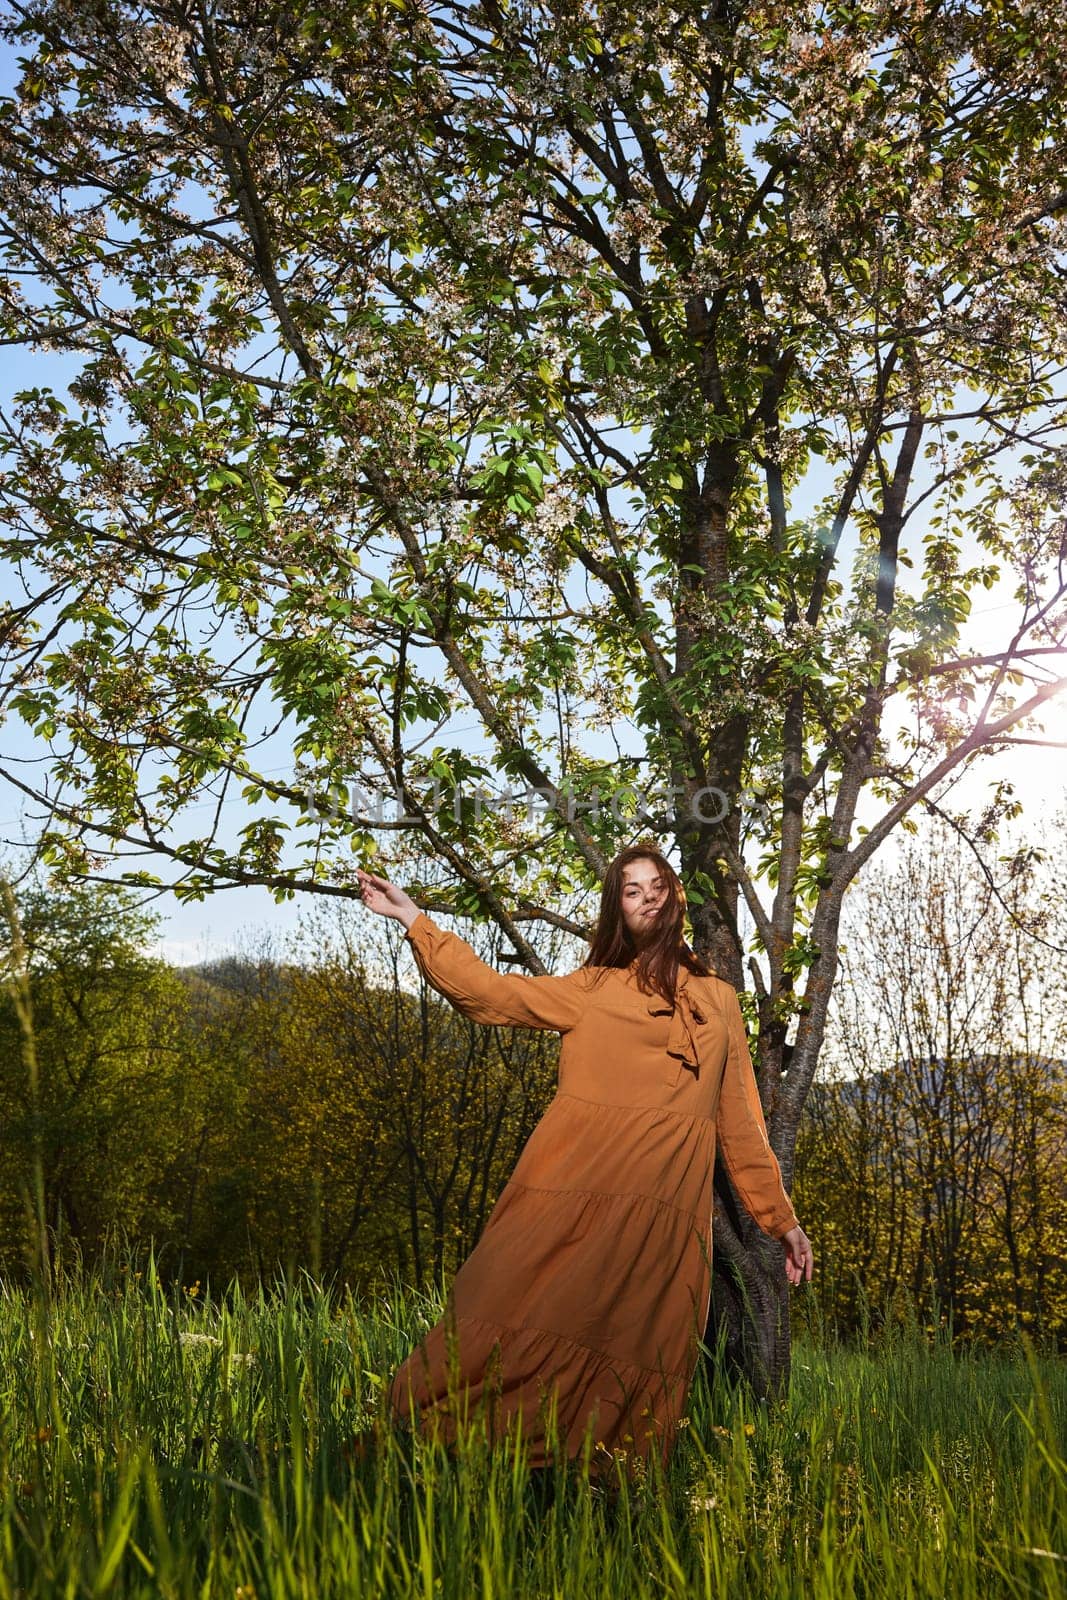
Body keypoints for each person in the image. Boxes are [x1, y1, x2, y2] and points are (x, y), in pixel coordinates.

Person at [357, 845, 813, 1478]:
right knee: (524, 1308)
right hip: (578, 1182)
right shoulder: (593, 990)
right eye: (631, 890)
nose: (649, 895)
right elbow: (491, 994)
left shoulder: (720, 1002)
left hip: (665, 1210)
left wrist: (779, 1219)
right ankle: (458, 1447)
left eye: (658, 884)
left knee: (636, 1338)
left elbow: (740, 1121)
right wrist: (414, 920)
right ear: (617, 911)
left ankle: (599, 1481)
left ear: (676, 897)